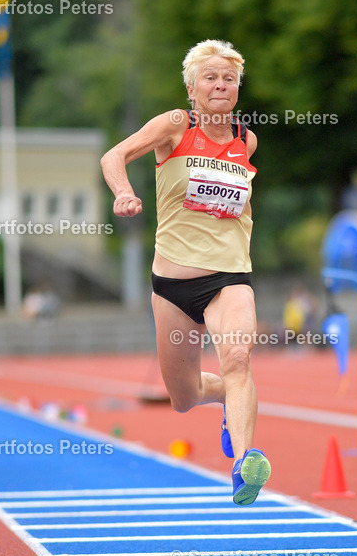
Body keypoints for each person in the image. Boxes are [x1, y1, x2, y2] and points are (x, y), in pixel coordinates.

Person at [100, 39, 271, 506]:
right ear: (192, 88)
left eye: (229, 78)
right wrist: (122, 193)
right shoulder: (175, 125)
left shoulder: (246, 140)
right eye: (210, 78)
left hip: (230, 278)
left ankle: (244, 464)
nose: (221, 85)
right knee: (184, 396)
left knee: (237, 360)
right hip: (172, 285)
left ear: (238, 88)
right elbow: (113, 157)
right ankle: (224, 401)